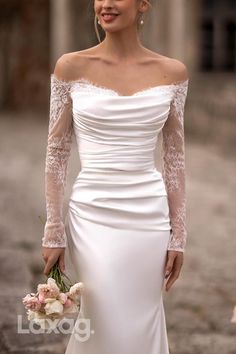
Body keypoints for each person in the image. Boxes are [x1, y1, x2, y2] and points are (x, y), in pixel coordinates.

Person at [42, 0, 189, 353]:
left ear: (143, 4)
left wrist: (179, 234)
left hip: (148, 218)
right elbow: (57, 151)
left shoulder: (173, 73)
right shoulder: (70, 67)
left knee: (143, 316)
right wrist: (53, 227)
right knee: (102, 311)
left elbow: (175, 157)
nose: (105, 3)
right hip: (92, 213)